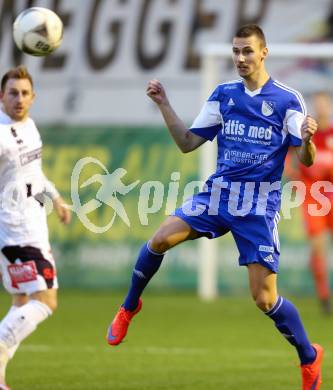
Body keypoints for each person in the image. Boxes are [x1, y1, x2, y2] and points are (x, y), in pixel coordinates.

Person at [106, 24, 323, 389]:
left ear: (264, 53)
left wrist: (306, 140)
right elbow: (188, 142)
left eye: (247, 51)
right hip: (218, 196)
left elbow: (305, 158)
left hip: (256, 206)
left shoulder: (288, 100)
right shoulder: (223, 95)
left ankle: (309, 357)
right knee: (159, 239)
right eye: (236, 51)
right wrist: (164, 105)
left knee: (264, 299)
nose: (240, 58)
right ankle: (129, 307)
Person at [0, 65, 71, 390]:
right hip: (15, 231)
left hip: (33, 225)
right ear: (2, 96)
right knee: (45, 300)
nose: (19, 99)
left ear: (33, 97)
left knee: (22, 304)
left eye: (25, 93)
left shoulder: (29, 126)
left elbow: (34, 175)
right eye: (12, 92)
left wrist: (55, 198)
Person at [286, 91, 333, 314]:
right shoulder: (304, 134)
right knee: (318, 248)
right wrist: (294, 178)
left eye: (325, 104)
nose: (321, 108)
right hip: (313, 198)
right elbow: (289, 162)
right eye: (318, 104)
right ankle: (324, 297)